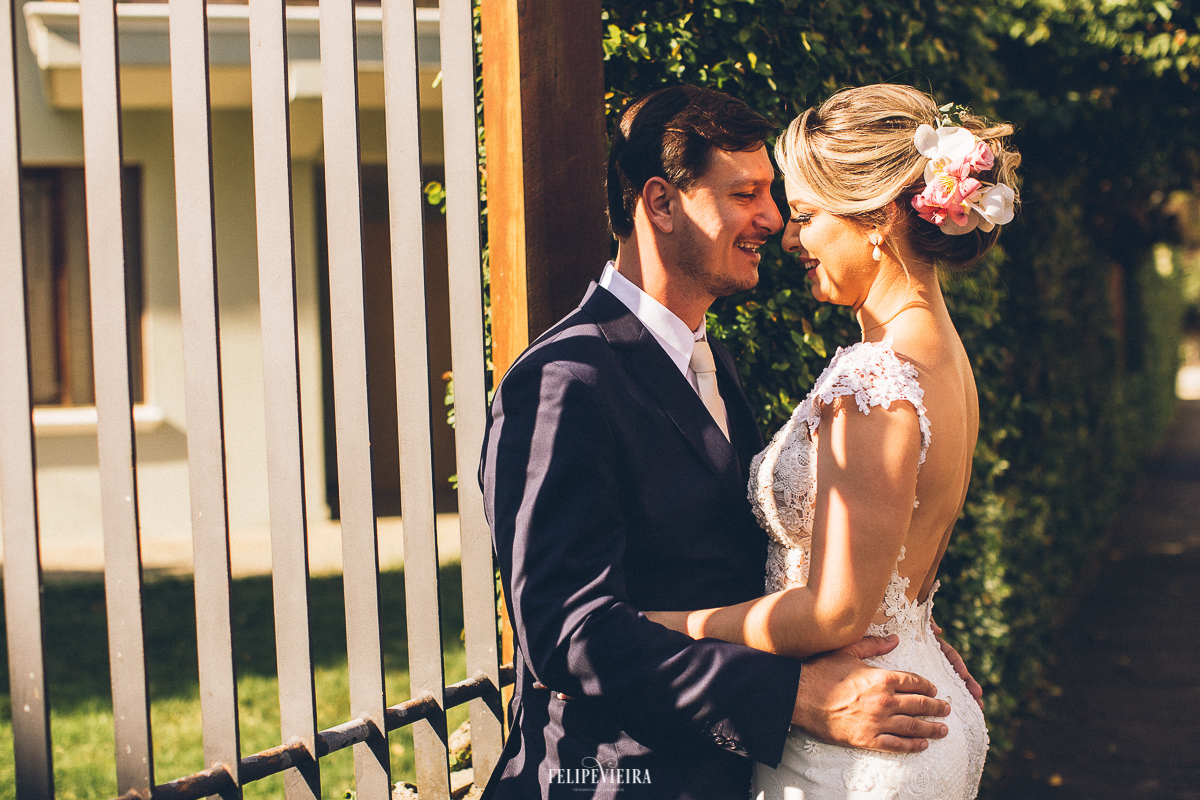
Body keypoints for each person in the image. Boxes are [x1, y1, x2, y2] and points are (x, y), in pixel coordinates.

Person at [479, 84, 964, 800]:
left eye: (773, 194)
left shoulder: (713, 361)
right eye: (746, 194)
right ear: (661, 203)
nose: (774, 219)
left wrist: (902, 635)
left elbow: (748, 558)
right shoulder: (561, 381)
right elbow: (567, 634)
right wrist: (793, 697)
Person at [646, 84, 1020, 799]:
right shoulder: (942, 357)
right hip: (916, 699)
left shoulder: (875, 379)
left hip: (860, 744)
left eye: (808, 215)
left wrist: (672, 624)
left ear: (878, 219)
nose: (790, 236)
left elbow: (833, 612)